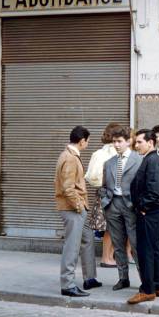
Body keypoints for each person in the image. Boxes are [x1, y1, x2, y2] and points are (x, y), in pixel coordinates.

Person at [55, 126, 101, 297]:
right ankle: (67, 285)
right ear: (82, 141)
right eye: (87, 141)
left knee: (87, 239)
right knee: (72, 247)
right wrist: (79, 207)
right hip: (73, 209)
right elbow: (68, 188)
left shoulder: (70, 155)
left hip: (77, 208)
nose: (87, 144)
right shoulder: (70, 158)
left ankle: (90, 278)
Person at [127, 129, 159, 304]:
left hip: (149, 212)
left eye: (139, 142)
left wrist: (143, 208)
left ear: (150, 143)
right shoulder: (153, 159)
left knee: (146, 251)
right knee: (155, 249)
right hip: (154, 211)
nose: (136, 145)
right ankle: (157, 285)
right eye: (136, 142)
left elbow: (153, 190)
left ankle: (147, 289)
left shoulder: (152, 160)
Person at [100, 126, 142, 291]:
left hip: (131, 206)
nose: (116, 145)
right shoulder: (109, 163)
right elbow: (103, 186)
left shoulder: (138, 160)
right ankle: (123, 278)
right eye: (114, 142)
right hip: (113, 205)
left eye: (119, 141)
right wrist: (105, 201)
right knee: (117, 244)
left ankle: (144, 280)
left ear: (129, 141)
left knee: (136, 244)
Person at [86, 122, 119, 268]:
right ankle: (106, 258)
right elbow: (92, 177)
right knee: (109, 228)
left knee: (114, 228)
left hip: (115, 195)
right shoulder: (101, 154)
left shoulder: (114, 153)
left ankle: (110, 256)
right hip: (108, 195)